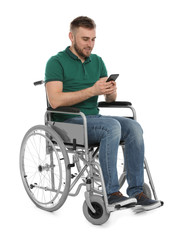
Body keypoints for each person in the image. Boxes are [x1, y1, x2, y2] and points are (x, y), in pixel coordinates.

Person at [45, 16, 162, 210]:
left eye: (93, 39)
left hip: (93, 119)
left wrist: (110, 91)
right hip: (66, 123)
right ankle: (112, 193)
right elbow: (55, 101)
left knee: (134, 127)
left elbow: (109, 101)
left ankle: (137, 191)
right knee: (111, 127)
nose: (90, 44)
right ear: (71, 37)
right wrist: (92, 91)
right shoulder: (56, 62)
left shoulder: (97, 61)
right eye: (85, 39)